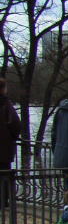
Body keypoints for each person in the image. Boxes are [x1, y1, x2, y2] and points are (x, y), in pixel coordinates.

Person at [0, 78, 21, 207]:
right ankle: (3, 201)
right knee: (4, 175)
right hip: (3, 149)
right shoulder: (5, 104)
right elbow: (15, 125)